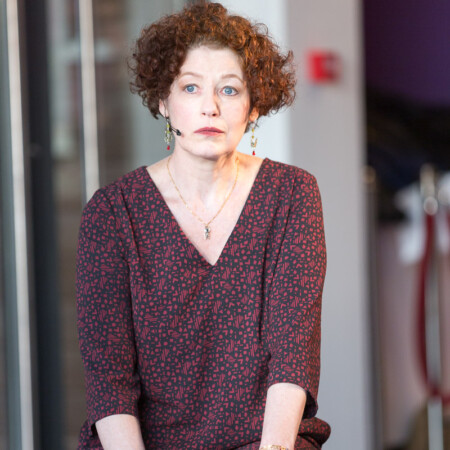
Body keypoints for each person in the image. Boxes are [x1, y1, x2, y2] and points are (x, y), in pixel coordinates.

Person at [76, 2, 330, 449]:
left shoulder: (292, 194)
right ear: (163, 100)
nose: (210, 107)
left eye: (229, 90)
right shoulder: (112, 214)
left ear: (253, 106)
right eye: (190, 87)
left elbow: (293, 355)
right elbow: (109, 380)